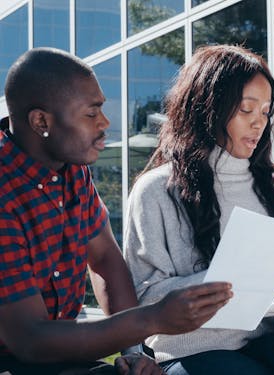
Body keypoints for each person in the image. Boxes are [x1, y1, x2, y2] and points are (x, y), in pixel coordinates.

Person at [123, 44, 274, 375]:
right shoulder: (156, 191)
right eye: (246, 110)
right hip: (191, 352)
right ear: (207, 109)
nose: (258, 124)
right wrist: (219, 282)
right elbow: (143, 295)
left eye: (265, 112)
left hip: (265, 340)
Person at [0, 47, 233, 375]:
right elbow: (30, 339)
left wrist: (134, 352)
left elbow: (106, 260)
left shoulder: (71, 169)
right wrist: (152, 318)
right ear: (41, 122)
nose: (105, 123)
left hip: (58, 358)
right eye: (91, 113)